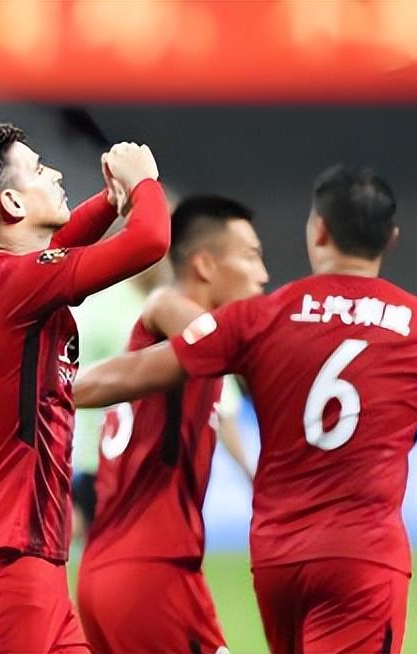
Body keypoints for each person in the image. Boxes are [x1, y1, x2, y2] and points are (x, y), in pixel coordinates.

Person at [74, 165, 417, 654]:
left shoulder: (261, 319)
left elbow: (130, 372)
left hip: (275, 561)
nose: (262, 272)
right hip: (360, 557)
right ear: (390, 239)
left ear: (318, 230)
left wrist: (40, 388)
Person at [0, 122, 170, 653]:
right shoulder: (14, 284)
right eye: (38, 169)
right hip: (1, 573)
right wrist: (144, 182)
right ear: (12, 203)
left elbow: (56, 246)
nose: (55, 173)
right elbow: (150, 241)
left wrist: (110, 202)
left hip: (29, 568)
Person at [77, 195, 267, 654]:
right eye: (250, 257)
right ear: (204, 265)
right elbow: (170, 311)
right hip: (151, 574)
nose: (262, 274)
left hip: (119, 567)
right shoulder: (170, 310)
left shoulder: (189, 354)